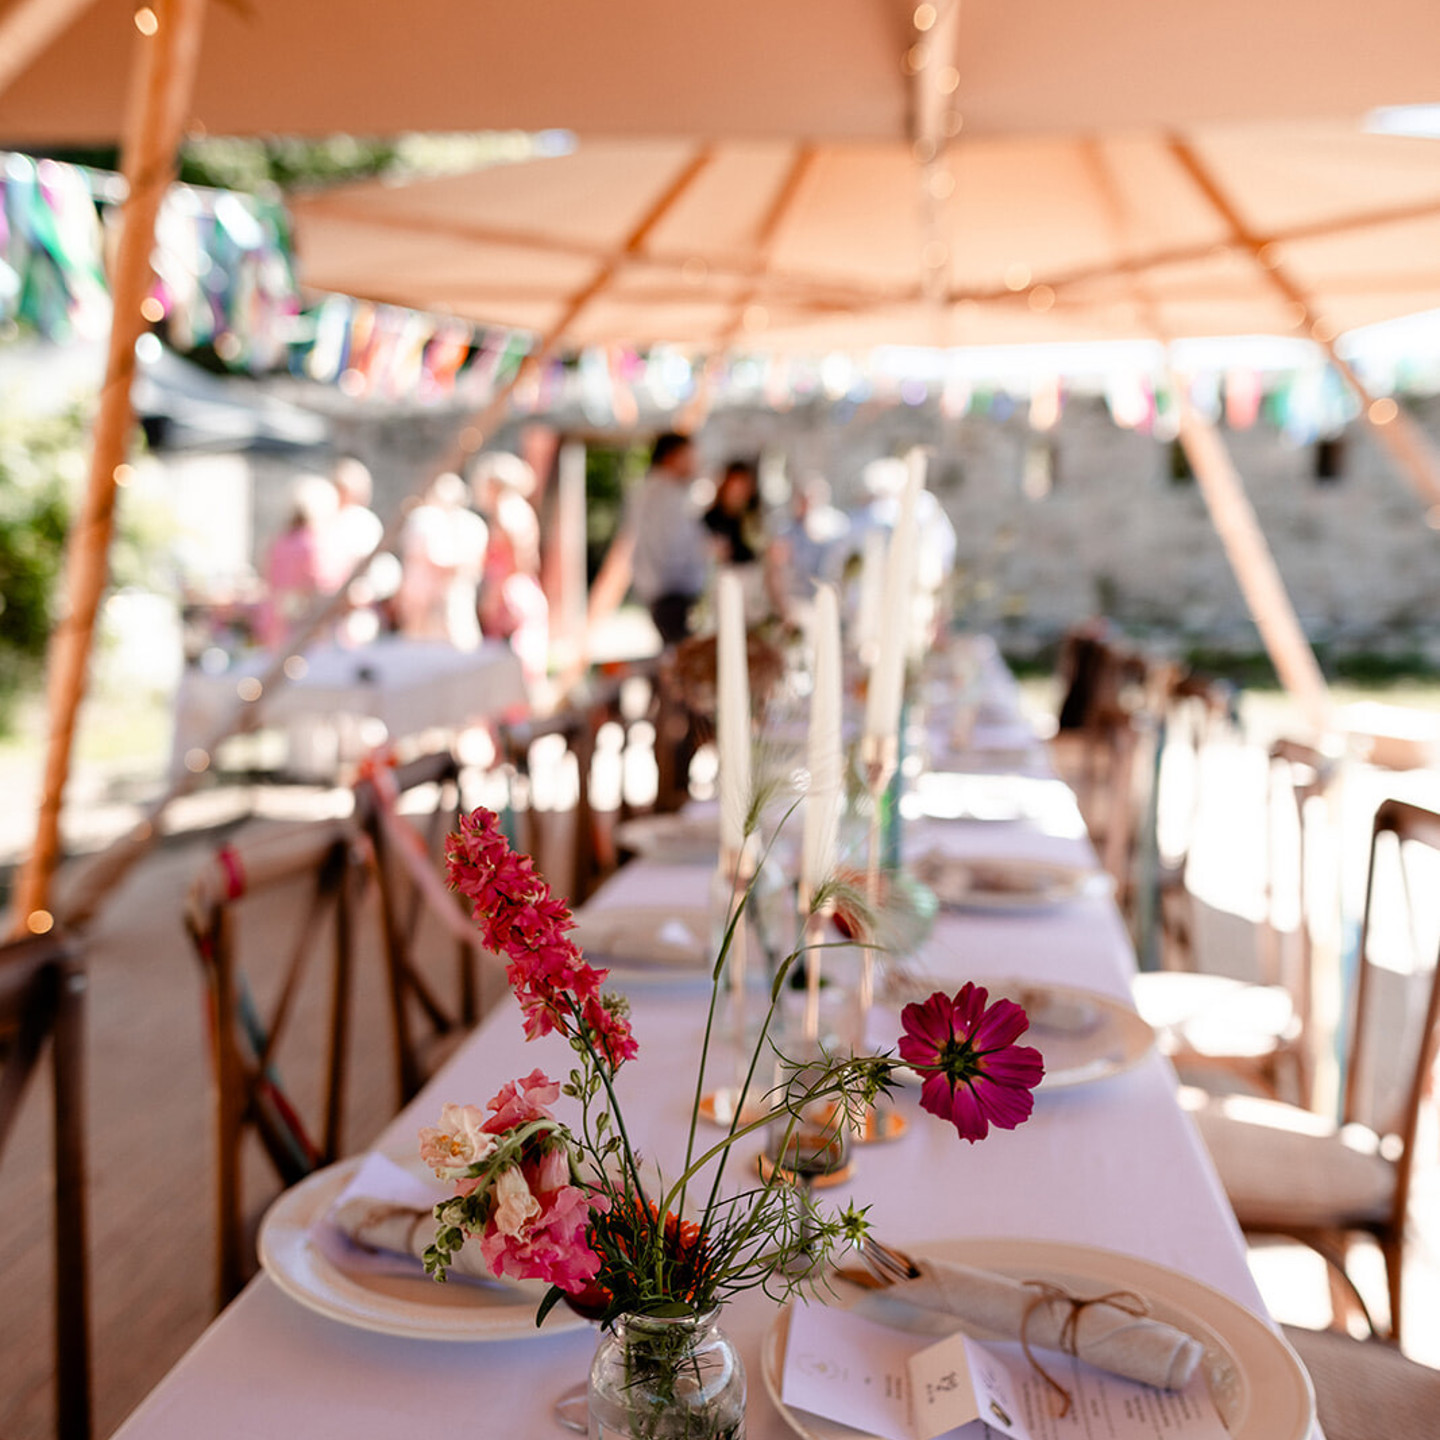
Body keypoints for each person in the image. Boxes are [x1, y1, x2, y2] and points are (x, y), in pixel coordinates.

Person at [589, 431, 708, 648]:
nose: (694, 463)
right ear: (672, 457)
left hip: (662, 593)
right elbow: (675, 545)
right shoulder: (667, 494)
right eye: (689, 456)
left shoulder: (646, 490)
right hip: (675, 593)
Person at [471, 450, 549, 687]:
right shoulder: (521, 509)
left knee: (508, 672)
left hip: (509, 598)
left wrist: (492, 599)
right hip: (521, 591)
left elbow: (513, 563)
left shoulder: (507, 512)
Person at [395, 472, 487, 649]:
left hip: (452, 594)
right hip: (423, 596)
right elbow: (433, 559)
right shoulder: (425, 519)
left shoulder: (469, 524)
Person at [257, 476, 340, 648]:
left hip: (276, 623)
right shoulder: (311, 544)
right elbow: (323, 584)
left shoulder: (281, 541)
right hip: (301, 626)